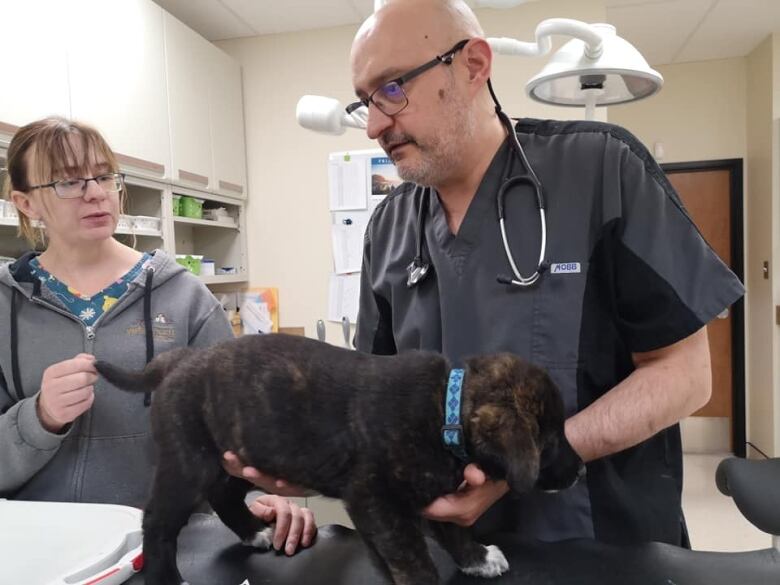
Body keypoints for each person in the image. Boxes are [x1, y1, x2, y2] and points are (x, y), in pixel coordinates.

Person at [349, 0, 745, 545]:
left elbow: (686, 374)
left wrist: (531, 462)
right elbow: (372, 394)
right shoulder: (388, 229)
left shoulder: (602, 170)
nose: (373, 125)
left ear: (472, 65)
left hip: (603, 548)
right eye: (363, 103)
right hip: (449, 552)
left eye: (392, 89)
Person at [0, 117, 315, 555]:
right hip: (38, 549)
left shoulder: (185, 298)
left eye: (103, 175)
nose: (95, 192)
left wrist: (258, 498)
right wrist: (39, 419)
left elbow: (236, 429)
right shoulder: (4, 306)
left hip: (172, 545)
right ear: (26, 202)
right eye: (68, 182)